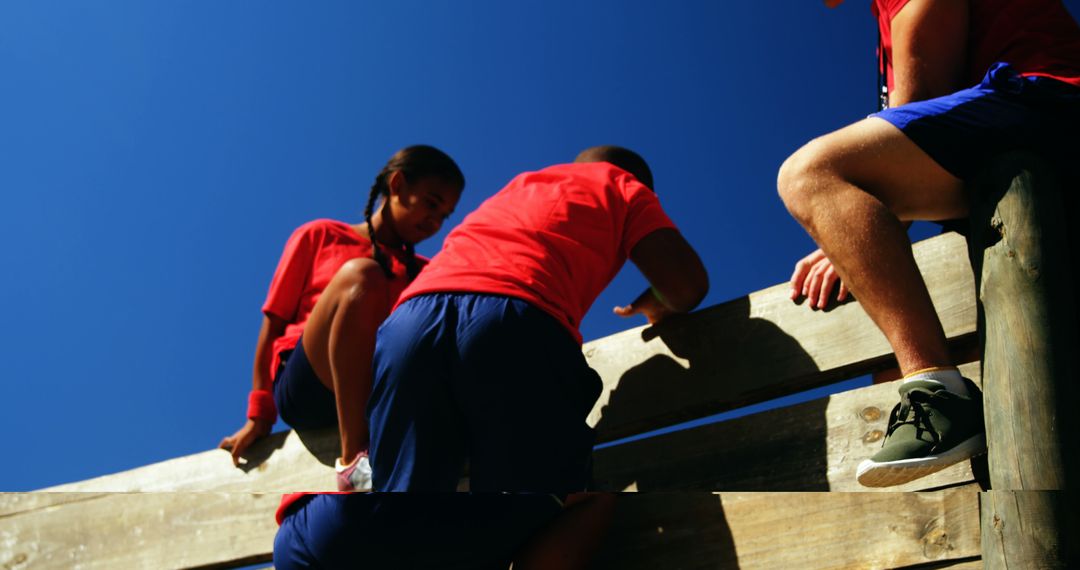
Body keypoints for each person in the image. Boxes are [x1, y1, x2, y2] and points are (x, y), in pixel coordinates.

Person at [777, 0, 1080, 487]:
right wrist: (856, 226)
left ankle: (938, 397)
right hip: (1015, 144)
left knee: (813, 174)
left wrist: (851, 216)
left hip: (1047, 104)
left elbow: (919, 103)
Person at [367, 145, 710, 493]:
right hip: (512, 318)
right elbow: (687, 286)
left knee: (401, 509)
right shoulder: (622, 184)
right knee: (533, 513)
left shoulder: (522, 185)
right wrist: (655, 302)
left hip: (409, 322)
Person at [218, 145, 465, 490]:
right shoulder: (319, 236)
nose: (434, 222)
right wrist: (260, 414)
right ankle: (353, 463)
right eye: (431, 203)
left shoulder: (426, 272)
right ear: (396, 185)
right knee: (361, 276)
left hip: (382, 391)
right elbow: (273, 325)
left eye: (445, 215)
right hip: (311, 384)